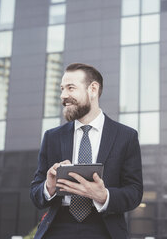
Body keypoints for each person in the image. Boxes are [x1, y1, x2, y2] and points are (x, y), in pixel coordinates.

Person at [30, 63, 143, 239]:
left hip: (105, 228)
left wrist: (103, 195)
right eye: (62, 89)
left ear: (93, 89)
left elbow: (134, 192)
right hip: (58, 228)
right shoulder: (52, 137)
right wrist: (49, 186)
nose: (63, 96)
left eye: (71, 88)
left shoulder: (126, 136)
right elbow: (35, 194)